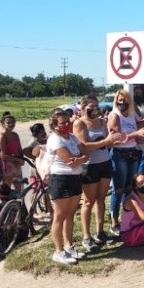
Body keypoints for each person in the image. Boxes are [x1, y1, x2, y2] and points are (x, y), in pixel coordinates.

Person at [74, 95, 121, 252]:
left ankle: (100, 232)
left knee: (101, 199)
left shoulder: (102, 122)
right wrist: (106, 142)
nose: (94, 109)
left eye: (96, 106)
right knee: (88, 202)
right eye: (91, 107)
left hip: (105, 163)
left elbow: (109, 140)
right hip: (90, 166)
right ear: (83, 108)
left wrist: (115, 139)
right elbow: (84, 146)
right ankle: (86, 237)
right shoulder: (79, 124)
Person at [47, 110, 89, 265]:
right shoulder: (55, 139)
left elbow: (85, 155)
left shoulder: (72, 137)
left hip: (75, 178)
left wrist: (80, 159)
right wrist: (80, 159)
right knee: (59, 216)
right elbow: (69, 159)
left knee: (70, 214)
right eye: (62, 122)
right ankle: (58, 251)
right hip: (61, 179)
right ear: (55, 125)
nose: (66, 124)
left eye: (67, 121)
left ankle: (68, 245)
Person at [108, 89, 144, 236]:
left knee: (128, 188)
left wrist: (142, 133)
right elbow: (117, 138)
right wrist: (135, 135)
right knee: (118, 190)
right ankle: (114, 221)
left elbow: (138, 130)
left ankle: (126, 218)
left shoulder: (132, 116)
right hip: (119, 155)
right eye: (119, 100)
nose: (122, 103)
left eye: (125, 100)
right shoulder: (114, 116)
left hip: (133, 154)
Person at [0, 112, 25, 192]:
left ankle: (18, 204)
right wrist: (17, 160)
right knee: (6, 190)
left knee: (19, 190)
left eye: (13, 122)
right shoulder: (2, 136)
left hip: (17, 165)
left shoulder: (15, 135)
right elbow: (2, 155)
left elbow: (20, 150)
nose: (11, 124)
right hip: (7, 167)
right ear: (3, 124)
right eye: (8, 123)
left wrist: (22, 160)